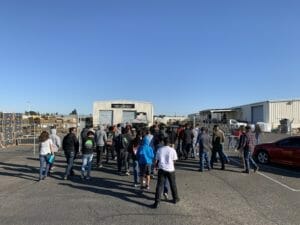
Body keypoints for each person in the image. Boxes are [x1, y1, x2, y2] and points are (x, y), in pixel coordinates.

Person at [153, 136, 180, 209]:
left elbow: (156, 160)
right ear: (170, 143)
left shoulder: (160, 149)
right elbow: (174, 160)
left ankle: (157, 202)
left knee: (159, 185)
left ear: (163, 142)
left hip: (162, 169)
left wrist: (155, 167)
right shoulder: (172, 150)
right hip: (170, 169)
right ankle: (175, 198)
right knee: (173, 184)